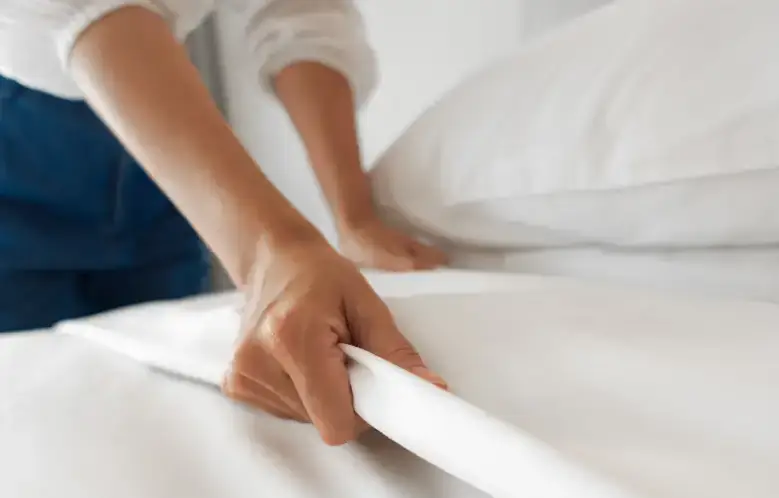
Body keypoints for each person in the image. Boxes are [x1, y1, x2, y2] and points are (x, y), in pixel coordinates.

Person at [0, 1, 448, 444]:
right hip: (18, 173)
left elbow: (299, 14)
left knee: (160, 400)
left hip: (158, 181)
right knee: (34, 408)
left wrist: (355, 219)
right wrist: (273, 252)